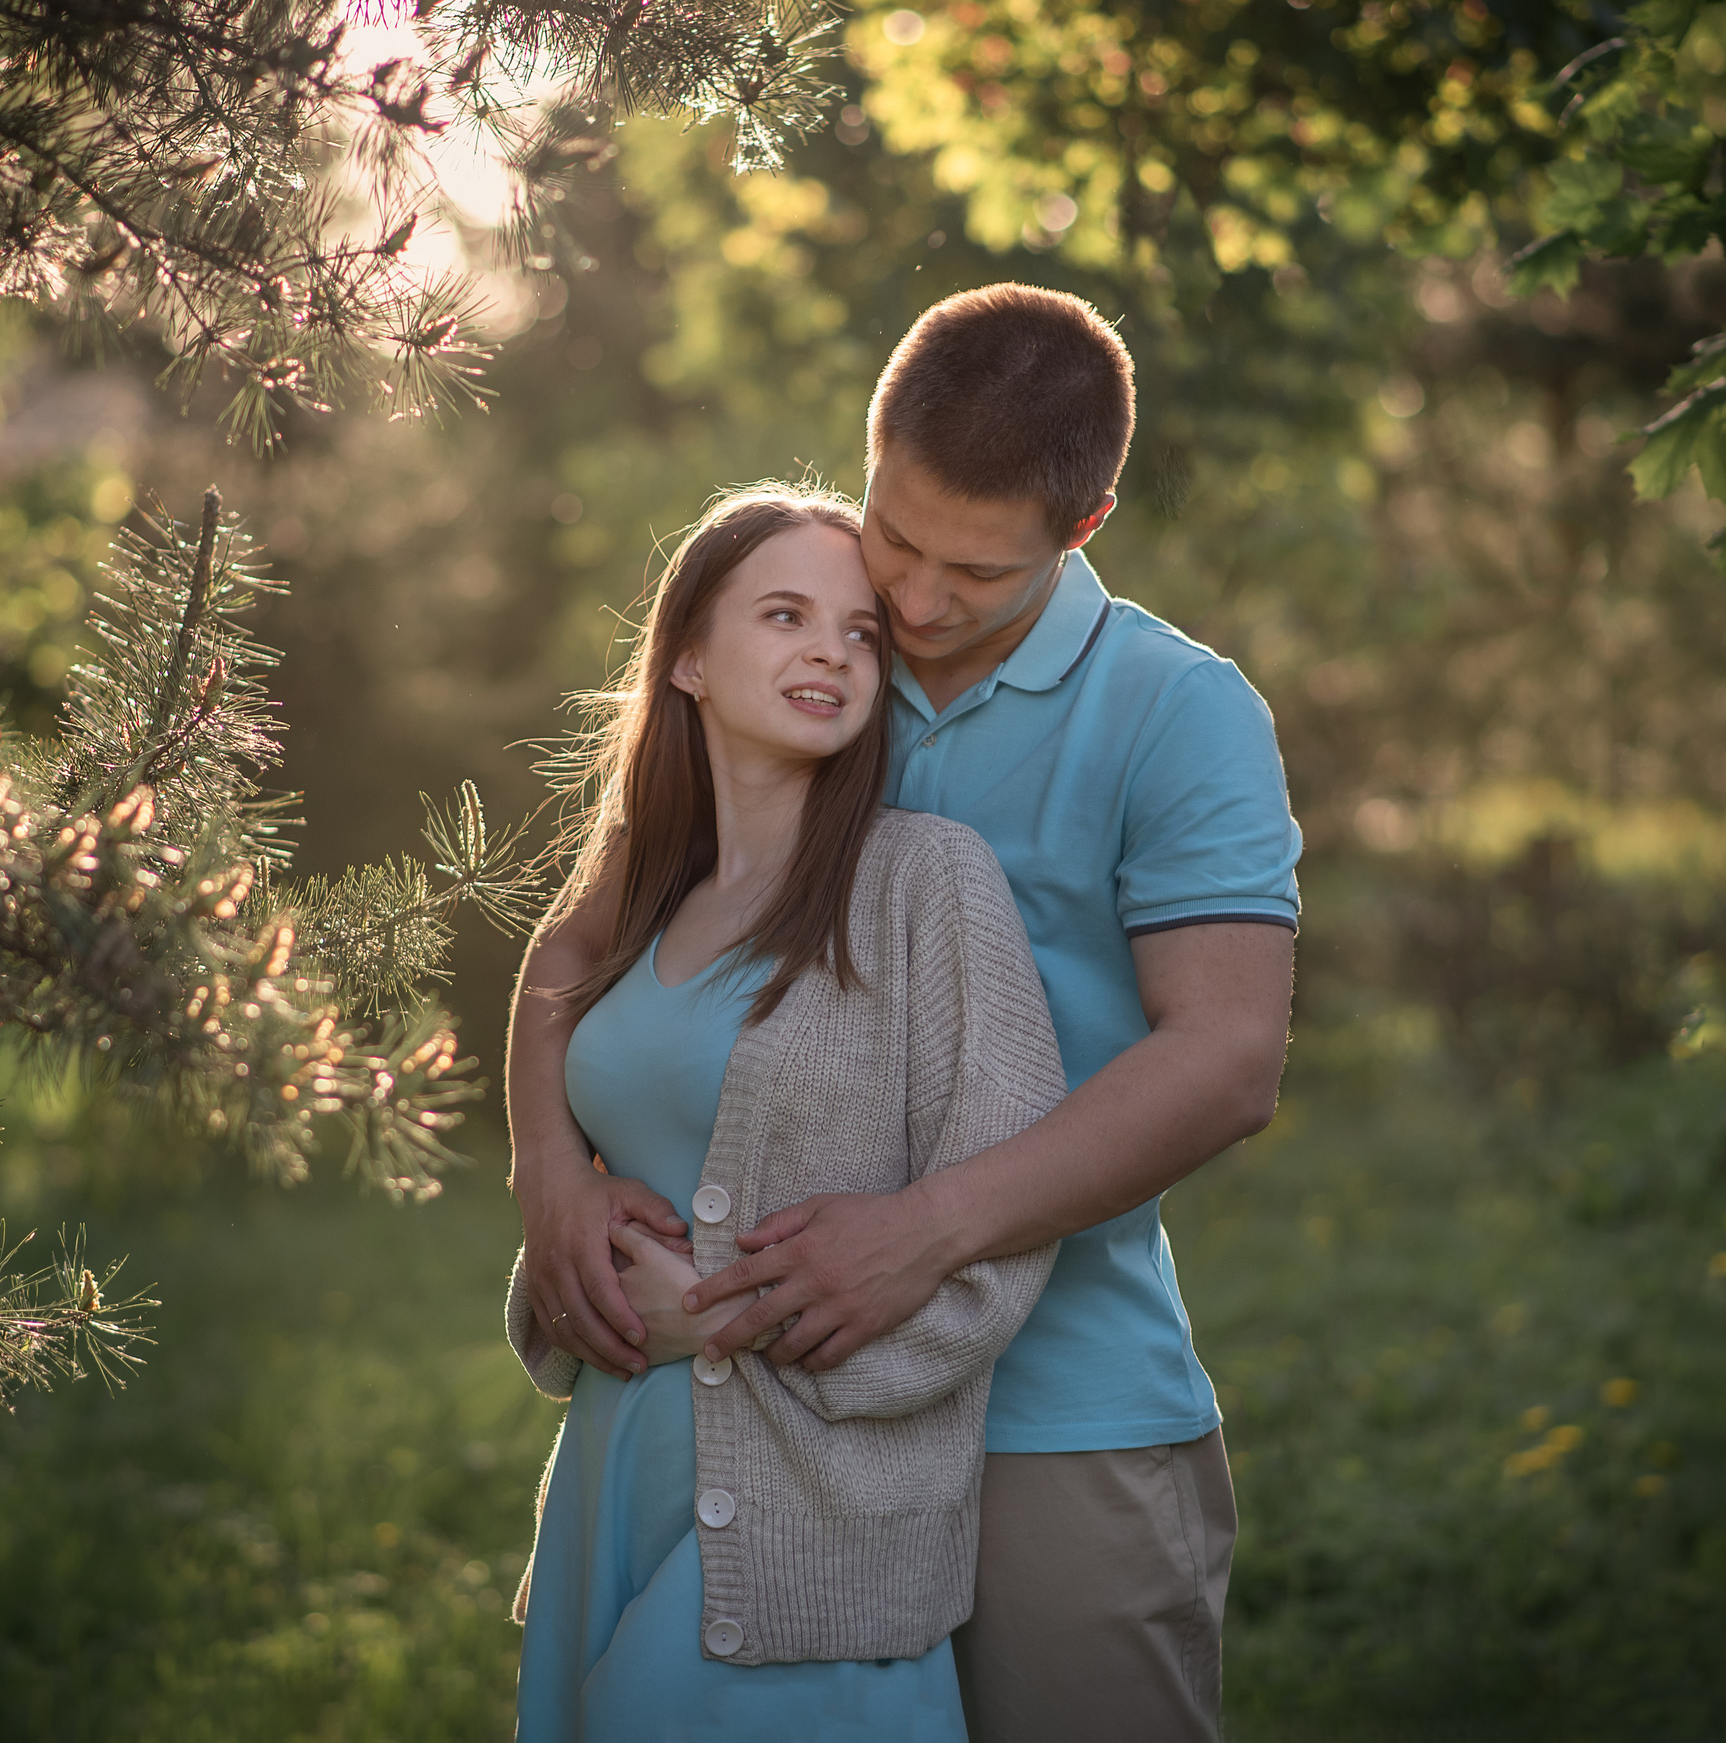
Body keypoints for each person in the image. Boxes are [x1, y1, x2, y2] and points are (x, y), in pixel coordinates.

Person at [509, 285, 1301, 1741]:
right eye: (900, 538)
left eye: (977, 571)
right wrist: (552, 1171)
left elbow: (1228, 1059)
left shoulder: (1176, 710)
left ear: (1087, 524)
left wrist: (927, 1228)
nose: (918, 603)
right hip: (780, 1406)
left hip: (1059, 1404)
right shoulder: (814, 666)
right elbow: (582, 940)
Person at [504, 483, 1070, 1741]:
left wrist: (715, 1310)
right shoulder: (649, 892)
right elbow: (553, 981)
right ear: (690, 660)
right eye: (784, 615)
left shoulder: (925, 881)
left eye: (860, 632)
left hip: (812, 1527)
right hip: (613, 1481)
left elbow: (998, 1237)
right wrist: (552, 1186)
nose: (831, 649)